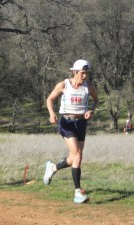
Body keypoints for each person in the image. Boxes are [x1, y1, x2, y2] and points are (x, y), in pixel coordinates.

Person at [43, 59, 99, 203]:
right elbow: (50, 99)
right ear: (74, 72)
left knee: (74, 157)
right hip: (66, 122)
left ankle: (53, 168)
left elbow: (96, 100)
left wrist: (91, 111)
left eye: (87, 73)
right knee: (78, 155)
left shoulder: (89, 86)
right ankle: (77, 193)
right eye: (82, 73)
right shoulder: (64, 85)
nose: (85, 76)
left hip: (81, 123)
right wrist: (51, 114)